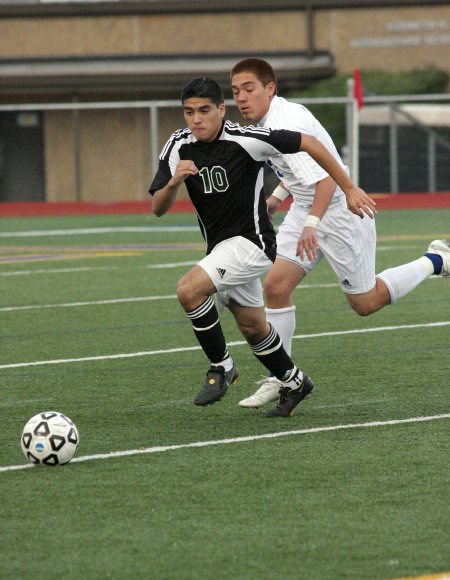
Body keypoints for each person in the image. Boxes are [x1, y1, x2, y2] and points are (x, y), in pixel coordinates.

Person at [149, 76, 376, 417]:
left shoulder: (246, 138)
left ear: (221, 110)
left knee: (188, 290)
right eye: (189, 112)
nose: (196, 119)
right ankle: (295, 381)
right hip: (220, 248)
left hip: (253, 244)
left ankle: (221, 367)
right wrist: (174, 182)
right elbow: (158, 207)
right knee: (254, 327)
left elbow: (311, 144)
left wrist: (348, 186)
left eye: (205, 110)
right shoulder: (178, 146)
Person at [230, 58, 450, 408]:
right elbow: (299, 169)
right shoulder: (269, 121)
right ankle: (282, 377)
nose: (241, 98)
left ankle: (436, 259)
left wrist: (312, 224)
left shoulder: (285, 120)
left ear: (271, 89)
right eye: (236, 91)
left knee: (365, 303)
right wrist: (276, 198)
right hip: (309, 208)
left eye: (249, 89)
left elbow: (326, 178)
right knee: (275, 286)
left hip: (339, 211)